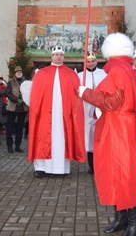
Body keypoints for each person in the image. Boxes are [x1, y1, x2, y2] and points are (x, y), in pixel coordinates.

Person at [78, 33, 136, 236]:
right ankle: (122, 218)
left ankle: (135, 222)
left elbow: (111, 102)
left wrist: (85, 93)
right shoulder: (127, 69)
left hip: (118, 128)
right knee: (116, 171)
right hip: (120, 125)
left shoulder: (117, 70)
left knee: (124, 173)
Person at [28, 46, 85, 178]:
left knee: (61, 137)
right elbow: (35, 94)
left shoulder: (71, 74)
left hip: (63, 114)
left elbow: (76, 95)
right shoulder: (42, 74)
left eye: (61, 54)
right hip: (44, 113)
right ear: (52, 56)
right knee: (42, 137)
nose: (59, 56)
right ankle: (40, 168)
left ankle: (60, 168)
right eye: (56, 54)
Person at [78, 51, 106, 173]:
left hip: (100, 107)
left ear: (97, 61)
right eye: (88, 62)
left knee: (100, 135)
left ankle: (102, 164)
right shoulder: (80, 75)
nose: (90, 63)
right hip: (85, 107)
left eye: (92, 61)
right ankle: (92, 165)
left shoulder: (104, 74)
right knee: (88, 136)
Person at [5, 66, 27, 153]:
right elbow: (8, 93)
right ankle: (9, 146)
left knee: (20, 127)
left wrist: (24, 100)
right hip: (13, 107)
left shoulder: (25, 82)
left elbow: (28, 92)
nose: (19, 74)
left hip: (23, 107)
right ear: (15, 74)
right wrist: (16, 99)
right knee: (9, 127)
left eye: (20, 72)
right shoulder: (11, 82)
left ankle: (18, 146)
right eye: (17, 72)